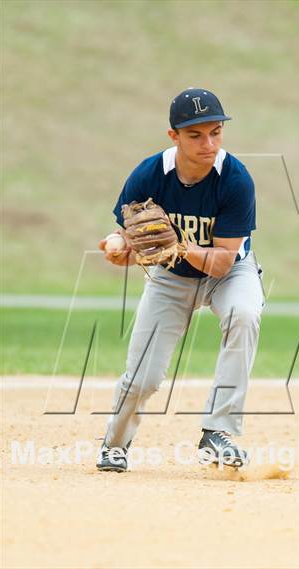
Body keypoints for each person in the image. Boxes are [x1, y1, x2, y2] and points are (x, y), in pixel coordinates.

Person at [96, 87, 264, 472]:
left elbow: (222, 263)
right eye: (195, 134)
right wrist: (121, 248)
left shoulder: (235, 180)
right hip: (171, 277)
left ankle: (218, 431)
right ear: (173, 136)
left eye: (216, 132)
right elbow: (134, 243)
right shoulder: (149, 174)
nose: (209, 143)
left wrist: (181, 244)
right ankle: (114, 444)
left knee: (244, 312)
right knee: (144, 378)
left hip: (229, 270)